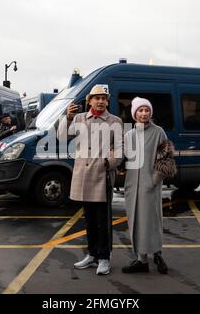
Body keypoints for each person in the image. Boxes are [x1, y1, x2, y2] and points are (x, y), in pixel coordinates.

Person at [58, 84, 123, 275]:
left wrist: (109, 162)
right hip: (83, 175)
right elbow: (61, 137)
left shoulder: (115, 121)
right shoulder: (78, 118)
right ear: (90, 101)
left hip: (102, 175)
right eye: (97, 98)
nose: (101, 101)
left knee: (103, 221)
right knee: (88, 220)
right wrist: (67, 117)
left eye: (104, 98)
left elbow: (119, 147)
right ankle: (92, 254)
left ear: (107, 101)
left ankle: (104, 258)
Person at [122, 97, 169, 274]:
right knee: (136, 221)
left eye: (146, 110)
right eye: (140, 110)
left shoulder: (159, 132)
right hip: (133, 186)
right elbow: (125, 159)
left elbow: (166, 158)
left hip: (151, 185)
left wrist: (154, 180)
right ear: (134, 114)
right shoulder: (129, 135)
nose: (144, 113)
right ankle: (141, 260)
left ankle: (157, 254)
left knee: (153, 220)